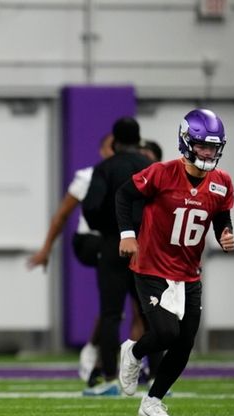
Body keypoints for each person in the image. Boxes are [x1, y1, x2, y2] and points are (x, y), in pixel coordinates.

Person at [116, 108, 234, 416]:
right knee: (166, 333)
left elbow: (221, 213)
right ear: (186, 142)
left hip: (188, 271)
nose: (209, 153)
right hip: (152, 266)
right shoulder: (161, 173)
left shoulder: (221, 182)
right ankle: (134, 351)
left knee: (185, 343)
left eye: (214, 147)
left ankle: (152, 401)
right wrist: (127, 234)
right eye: (203, 146)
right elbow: (124, 196)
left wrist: (226, 232)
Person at [27, 133, 114, 383]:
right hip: (92, 240)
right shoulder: (87, 176)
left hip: (123, 242)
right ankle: (96, 354)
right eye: (110, 147)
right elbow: (62, 215)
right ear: (101, 150)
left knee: (130, 303)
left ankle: (135, 361)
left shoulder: (131, 172)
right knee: (113, 301)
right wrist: (46, 249)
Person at [80, 116, 153, 396]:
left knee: (111, 314)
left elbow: (91, 208)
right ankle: (157, 376)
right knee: (149, 313)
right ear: (138, 139)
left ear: (114, 140)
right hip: (146, 247)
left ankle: (110, 378)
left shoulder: (105, 168)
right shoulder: (152, 168)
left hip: (113, 244)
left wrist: (109, 230)